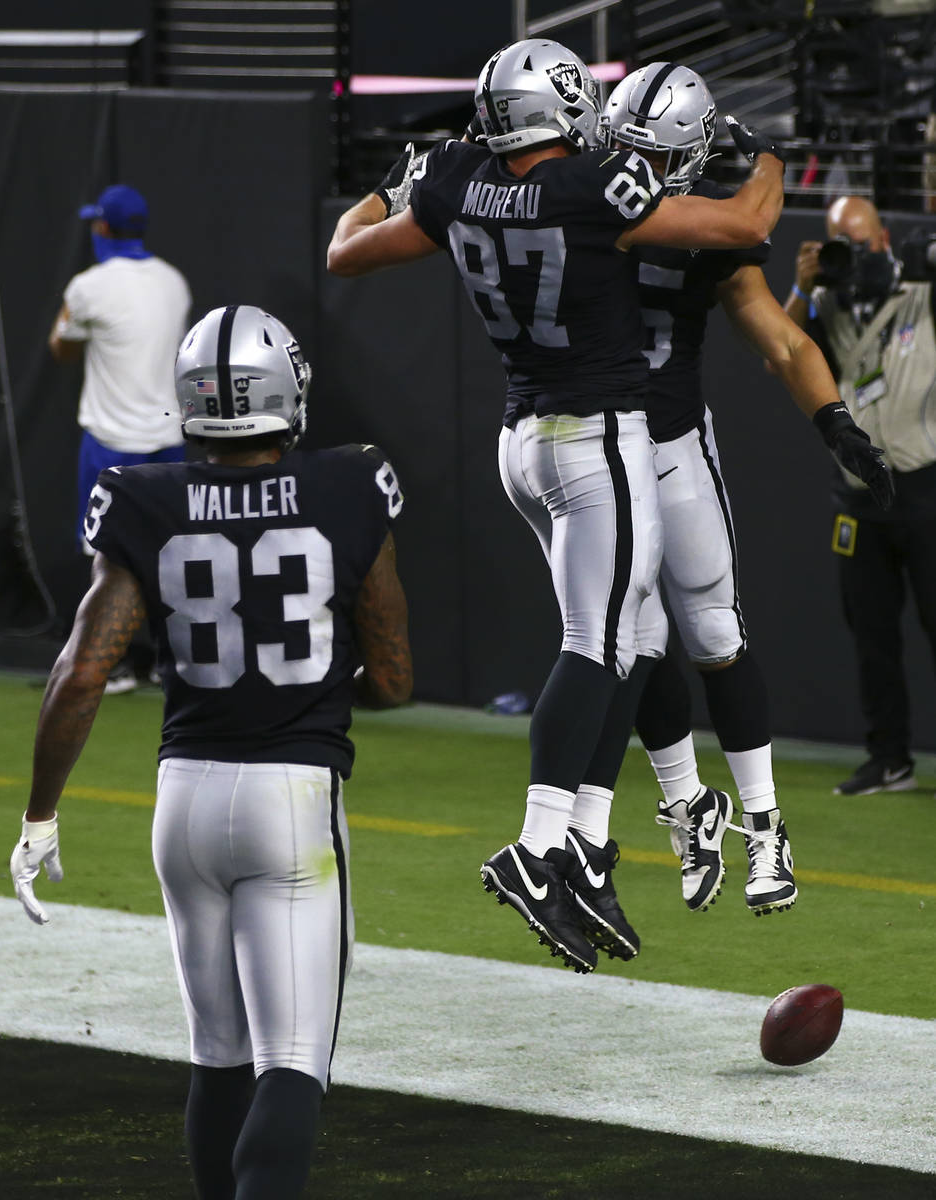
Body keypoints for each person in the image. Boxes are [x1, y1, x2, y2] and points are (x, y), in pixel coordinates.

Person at [327, 37, 786, 974]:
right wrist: (774, 152)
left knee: (624, 637)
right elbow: (743, 226)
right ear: (562, 109)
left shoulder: (453, 178)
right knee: (603, 645)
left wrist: (390, 184)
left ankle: (584, 841)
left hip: (518, 444)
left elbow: (343, 254)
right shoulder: (590, 186)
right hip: (598, 437)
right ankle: (545, 845)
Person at [10, 304, 412, 1199]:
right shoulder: (350, 485)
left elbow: (81, 672)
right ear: (289, 395)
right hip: (293, 806)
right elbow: (391, 679)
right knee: (293, 1065)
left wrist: (40, 814)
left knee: (218, 1058)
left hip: (183, 803)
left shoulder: (142, 498)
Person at [600, 64, 894, 915]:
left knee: (714, 631)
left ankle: (764, 825)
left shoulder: (710, 235)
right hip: (591, 452)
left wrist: (836, 422)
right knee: (633, 640)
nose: (632, 168)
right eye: (623, 149)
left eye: (650, 155)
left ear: (688, 158)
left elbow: (784, 343)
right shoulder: (579, 196)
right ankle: (691, 806)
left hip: (669, 446)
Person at [784, 195, 936, 795]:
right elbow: (780, 352)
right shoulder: (824, 302)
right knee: (872, 636)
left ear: (884, 238)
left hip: (926, 487)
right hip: (859, 500)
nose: (856, 255)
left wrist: (905, 263)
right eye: (841, 243)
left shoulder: (920, 294)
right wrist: (802, 287)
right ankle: (889, 758)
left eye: (864, 242)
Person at [49, 183, 192, 694]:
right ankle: (163, 660)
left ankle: (111, 663)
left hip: (111, 442)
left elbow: (60, 347)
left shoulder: (88, 286)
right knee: (166, 552)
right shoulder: (173, 281)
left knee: (105, 555)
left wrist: (71, 320)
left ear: (104, 228)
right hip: (168, 441)